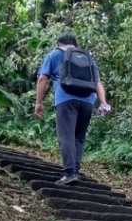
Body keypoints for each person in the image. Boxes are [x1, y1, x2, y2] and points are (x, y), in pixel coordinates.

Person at [34, 33, 110, 184]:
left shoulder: (55, 54)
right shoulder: (88, 58)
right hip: (88, 101)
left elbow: (43, 78)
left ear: (59, 43)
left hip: (66, 99)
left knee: (66, 136)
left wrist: (38, 102)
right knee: (78, 137)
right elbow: (98, 82)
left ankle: (69, 173)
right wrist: (103, 103)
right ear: (75, 44)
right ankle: (74, 170)